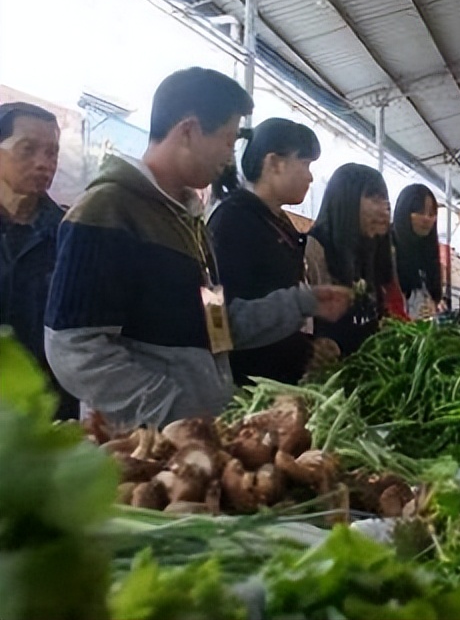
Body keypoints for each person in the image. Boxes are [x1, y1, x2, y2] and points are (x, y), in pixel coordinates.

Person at [44, 68, 352, 429]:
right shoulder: (107, 210)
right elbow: (74, 348)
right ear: (188, 131)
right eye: (227, 140)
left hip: (200, 437)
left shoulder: (191, 224)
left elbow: (217, 326)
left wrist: (302, 302)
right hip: (148, 451)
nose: (230, 156)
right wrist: (175, 408)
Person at [207, 117, 320, 385]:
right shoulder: (231, 221)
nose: (310, 176)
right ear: (274, 163)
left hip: (283, 381)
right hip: (247, 389)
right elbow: (216, 321)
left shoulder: (279, 222)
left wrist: (308, 347)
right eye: (305, 164)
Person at [0, 102, 79, 419]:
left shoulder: (70, 234)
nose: (43, 163)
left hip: (50, 409)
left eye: (52, 153)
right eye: (27, 149)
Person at [305, 163, 405, 356]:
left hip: (367, 370)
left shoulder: (370, 248)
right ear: (346, 200)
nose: (385, 210)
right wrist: (315, 346)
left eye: (386, 201)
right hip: (328, 377)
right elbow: (303, 326)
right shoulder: (314, 250)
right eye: (374, 199)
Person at [392, 183, 442, 319]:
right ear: (404, 211)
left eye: (431, 213)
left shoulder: (429, 252)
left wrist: (433, 305)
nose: (426, 218)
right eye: (419, 211)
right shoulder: (387, 247)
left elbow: (434, 294)